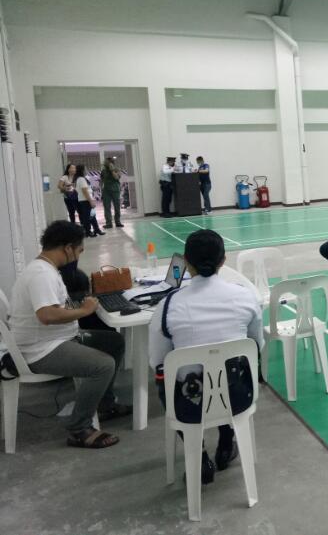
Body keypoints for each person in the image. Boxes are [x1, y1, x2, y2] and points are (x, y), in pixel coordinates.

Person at [149, 230, 263, 484]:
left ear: (186, 263)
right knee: (228, 372)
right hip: (238, 396)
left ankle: (199, 457)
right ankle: (226, 442)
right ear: (223, 260)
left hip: (190, 404)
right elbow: (257, 344)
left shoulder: (168, 305)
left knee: (165, 377)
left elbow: (157, 360)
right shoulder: (245, 296)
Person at [7, 221, 129, 448]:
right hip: (41, 350)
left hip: (55, 339)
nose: (78, 256)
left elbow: (54, 308)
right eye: (79, 250)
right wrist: (84, 311)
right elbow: (46, 315)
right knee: (103, 365)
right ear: (67, 248)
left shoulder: (46, 269)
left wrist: (79, 306)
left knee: (114, 341)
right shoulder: (41, 274)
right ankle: (79, 429)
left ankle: (104, 404)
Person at [73, 165, 104, 238]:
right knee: (87, 217)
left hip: (85, 200)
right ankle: (88, 232)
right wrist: (90, 201)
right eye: (85, 169)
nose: (87, 170)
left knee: (92, 215)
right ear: (82, 170)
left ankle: (96, 229)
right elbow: (85, 191)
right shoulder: (81, 179)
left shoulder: (81, 179)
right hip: (85, 200)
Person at [100, 157, 123, 229]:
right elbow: (101, 181)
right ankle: (109, 223)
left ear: (111, 163)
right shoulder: (103, 171)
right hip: (106, 191)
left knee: (117, 206)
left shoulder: (117, 169)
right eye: (105, 162)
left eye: (107, 162)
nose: (105, 163)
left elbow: (116, 177)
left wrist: (112, 170)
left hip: (115, 190)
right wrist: (101, 190)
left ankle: (118, 222)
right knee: (107, 207)